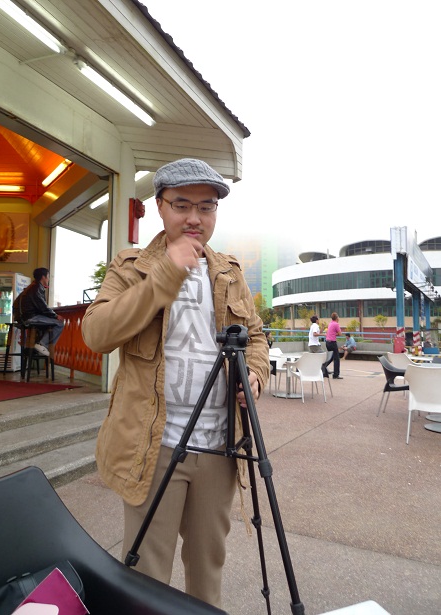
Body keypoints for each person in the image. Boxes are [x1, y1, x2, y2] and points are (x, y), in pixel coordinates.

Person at [81, 158, 270, 609]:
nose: (194, 218)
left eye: (206, 207)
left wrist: (255, 374)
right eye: (182, 205)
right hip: (154, 446)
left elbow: (257, 337)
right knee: (147, 575)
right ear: (160, 207)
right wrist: (166, 273)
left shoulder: (229, 272)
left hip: (219, 447)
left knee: (208, 569)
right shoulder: (131, 266)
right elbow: (97, 333)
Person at [13, 267, 64, 356]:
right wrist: (55, 316)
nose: (48, 279)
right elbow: (42, 307)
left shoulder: (32, 286)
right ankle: (41, 345)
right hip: (29, 317)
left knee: (45, 326)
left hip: (23, 317)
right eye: (48, 276)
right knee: (59, 323)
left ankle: (32, 349)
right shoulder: (36, 288)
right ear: (43, 277)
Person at [324, 312, 343, 379]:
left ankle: (323, 367)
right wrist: (335, 334)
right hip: (332, 342)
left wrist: (333, 334)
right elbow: (340, 334)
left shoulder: (330, 323)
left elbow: (330, 332)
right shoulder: (336, 324)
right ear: (337, 318)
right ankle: (336, 374)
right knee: (336, 358)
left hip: (327, 342)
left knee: (331, 357)